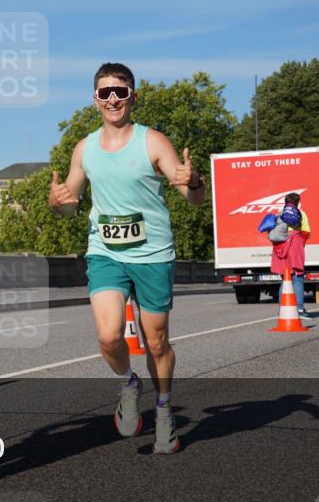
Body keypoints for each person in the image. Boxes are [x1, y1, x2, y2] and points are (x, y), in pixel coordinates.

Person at [47, 62, 206, 454]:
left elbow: (193, 199)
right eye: (105, 93)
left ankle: (165, 411)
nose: (113, 99)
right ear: (95, 100)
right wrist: (56, 205)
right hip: (105, 252)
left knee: (156, 343)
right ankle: (129, 384)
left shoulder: (153, 142)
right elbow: (68, 204)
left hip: (152, 253)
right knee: (108, 335)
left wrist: (195, 182)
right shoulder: (84, 148)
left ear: (133, 96)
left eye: (120, 91)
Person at [270, 192, 312, 320]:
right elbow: (306, 232)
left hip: (280, 248)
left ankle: (283, 308)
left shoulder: (279, 215)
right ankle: (299, 309)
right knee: (297, 278)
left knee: (285, 278)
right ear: (297, 202)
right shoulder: (301, 214)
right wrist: (300, 244)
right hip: (294, 246)